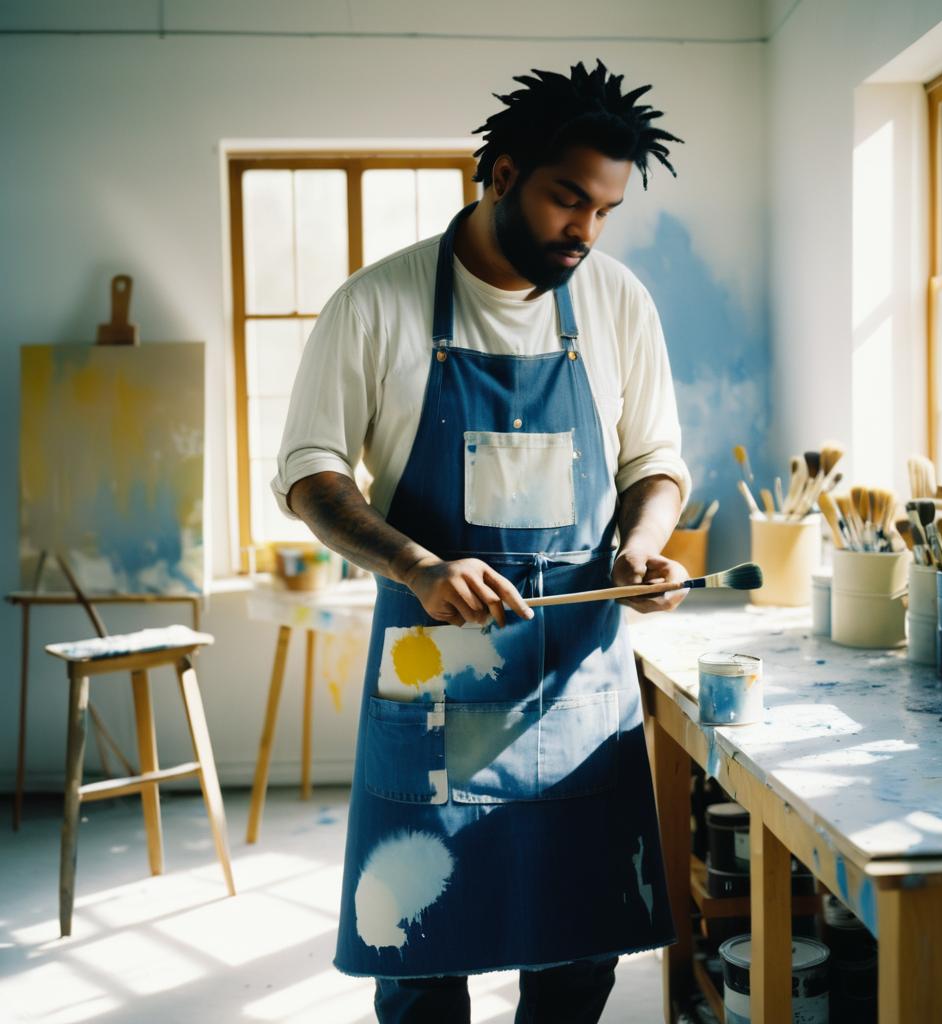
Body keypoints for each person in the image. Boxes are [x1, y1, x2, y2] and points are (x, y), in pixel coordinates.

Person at [273, 58, 690, 1024]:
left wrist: (641, 545)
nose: (584, 230)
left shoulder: (618, 303)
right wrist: (417, 564)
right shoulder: (377, 304)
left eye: (604, 211)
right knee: (419, 953)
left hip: (575, 677)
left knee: (580, 950)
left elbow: (656, 464)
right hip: (432, 673)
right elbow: (311, 476)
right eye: (565, 200)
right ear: (501, 174)